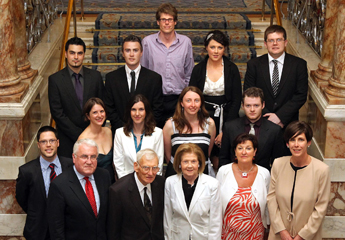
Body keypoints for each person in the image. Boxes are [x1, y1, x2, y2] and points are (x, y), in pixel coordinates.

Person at [267, 121, 330, 240]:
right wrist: (282, 231)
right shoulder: (278, 164)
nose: (296, 145)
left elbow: (321, 208)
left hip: (308, 236)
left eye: (301, 139)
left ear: (309, 142)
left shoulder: (321, 170)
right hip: (279, 234)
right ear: (287, 143)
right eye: (292, 140)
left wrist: (301, 236)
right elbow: (271, 199)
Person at [48, 37, 104, 158]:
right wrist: (79, 134)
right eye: (72, 53)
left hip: (93, 137)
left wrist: (92, 131)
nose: (76, 57)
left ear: (84, 54)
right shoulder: (55, 80)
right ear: (66, 54)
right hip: (67, 139)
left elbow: (102, 106)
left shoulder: (96, 77)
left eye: (79, 53)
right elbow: (57, 113)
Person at [244, 25, 308, 129]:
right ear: (265, 44)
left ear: (285, 42)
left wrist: (280, 117)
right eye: (271, 40)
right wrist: (267, 116)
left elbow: (300, 95)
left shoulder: (299, 65)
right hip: (261, 122)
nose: (275, 43)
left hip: (288, 123)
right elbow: (249, 92)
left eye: (279, 40)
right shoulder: (254, 65)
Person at [189, 30, 242, 155]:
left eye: (220, 47)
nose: (216, 51)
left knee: (223, 154)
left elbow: (236, 99)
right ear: (206, 47)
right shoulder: (198, 69)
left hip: (227, 116)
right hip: (202, 116)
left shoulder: (232, 69)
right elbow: (191, 95)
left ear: (225, 49)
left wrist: (226, 130)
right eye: (212, 47)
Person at [15, 126, 73, 240]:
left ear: (58, 143)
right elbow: (22, 198)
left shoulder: (71, 166)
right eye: (44, 141)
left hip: (67, 228)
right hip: (38, 230)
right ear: (38, 145)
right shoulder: (26, 171)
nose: (48, 145)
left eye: (52, 141)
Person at [141, 3, 194, 126]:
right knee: (155, 136)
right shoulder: (148, 42)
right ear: (158, 22)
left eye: (170, 19)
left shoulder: (185, 42)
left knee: (177, 137)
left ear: (175, 22)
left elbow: (189, 72)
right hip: (155, 99)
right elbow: (144, 71)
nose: (166, 23)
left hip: (178, 99)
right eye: (163, 20)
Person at [47, 139, 111, 240]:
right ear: (74, 157)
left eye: (93, 157)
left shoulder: (104, 176)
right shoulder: (59, 184)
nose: (89, 161)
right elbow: (56, 227)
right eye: (84, 156)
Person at [104, 35, 163, 134]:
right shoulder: (111, 78)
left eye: (135, 50)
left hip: (147, 133)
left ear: (141, 53)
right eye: (127, 50)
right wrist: (123, 129)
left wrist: (143, 128)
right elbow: (109, 108)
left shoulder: (154, 78)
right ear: (122, 53)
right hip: (120, 133)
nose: (131, 54)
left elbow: (157, 109)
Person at [217, 133, 270, 239]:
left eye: (248, 148)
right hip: (227, 233)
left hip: (255, 233)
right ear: (235, 152)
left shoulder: (264, 173)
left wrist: (268, 227)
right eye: (240, 148)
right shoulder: (224, 171)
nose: (244, 152)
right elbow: (216, 202)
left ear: (254, 151)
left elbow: (268, 204)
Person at [164, 143, 222, 239]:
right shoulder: (170, 182)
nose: (189, 166)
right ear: (179, 163)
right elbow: (168, 217)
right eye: (185, 161)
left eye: (193, 161)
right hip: (177, 236)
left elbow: (215, 221)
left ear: (199, 163)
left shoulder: (212, 184)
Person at [219, 87, 285, 170]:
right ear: (242, 106)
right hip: (234, 177)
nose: (252, 109)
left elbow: (277, 162)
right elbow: (223, 158)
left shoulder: (274, 130)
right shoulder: (230, 127)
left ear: (263, 105)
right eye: (248, 105)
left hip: (264, 179)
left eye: (256, 105)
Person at [107, 149, 165, 240]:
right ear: (136, 166)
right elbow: (113, 229)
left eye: (154, 168)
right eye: (146, 168)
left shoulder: (161, 183)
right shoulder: (118, 191)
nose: (150, 173)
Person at [163, 86, 216, 178]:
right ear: (181, 103)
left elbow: (207, 153)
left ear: (201, 103)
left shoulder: (209, 123)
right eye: (188, 101)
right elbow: (168, 156)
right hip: (176, 176)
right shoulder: (170, 125)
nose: (193, 105)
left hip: (203, 176)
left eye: (196, 100)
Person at [113, 94, 164, 178]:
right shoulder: (119, 133)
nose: (137, 113)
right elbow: (118, 164)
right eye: (133, 109)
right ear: (129, 112)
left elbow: (159, 163)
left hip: (150, 181)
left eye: (141, 109)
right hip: (126, 184)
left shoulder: (157, 133)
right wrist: (127, 184)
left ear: (146, 111)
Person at [78, 97, 115, 183]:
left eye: (102, 111)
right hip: (95, 183)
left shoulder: (108, 131)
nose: (99, 115)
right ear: (88, 116)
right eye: (95, 112)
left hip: (112, 182)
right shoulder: (83, 139)